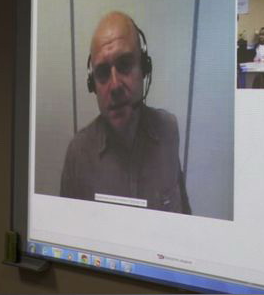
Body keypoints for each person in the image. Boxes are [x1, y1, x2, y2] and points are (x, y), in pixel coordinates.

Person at [60, 11, 191, 214]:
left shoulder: (168, 129)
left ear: (144, 68)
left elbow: (183, 214)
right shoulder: (78, 154)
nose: (115, 86)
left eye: (125, 65)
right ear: (92, 85)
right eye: (102, 72)